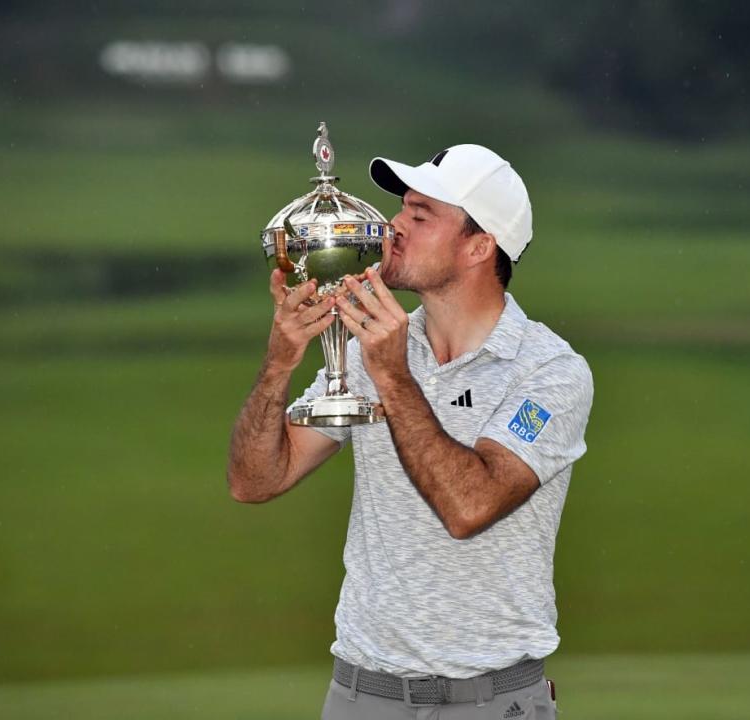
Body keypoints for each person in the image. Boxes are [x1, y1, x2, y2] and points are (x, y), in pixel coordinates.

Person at [227, 144, 593, 720]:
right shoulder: (370, 343)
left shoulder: (550, 372)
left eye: (421, 216)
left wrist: (393, 375)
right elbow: (255, 481)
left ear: (479, 246)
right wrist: (279, 362)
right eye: (402, 208)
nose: (393, 225)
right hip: (361, 695)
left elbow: (469, 506)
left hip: (492, 702)